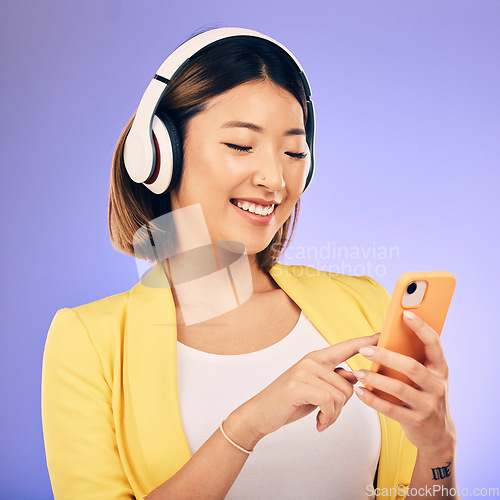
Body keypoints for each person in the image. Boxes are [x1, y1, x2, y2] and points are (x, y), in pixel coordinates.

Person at [41, 27, 458, 499]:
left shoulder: (362, 306)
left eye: (294, 152)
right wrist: (246, 426)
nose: (275, 179)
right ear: (159, 154)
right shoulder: (89, 342)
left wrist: (438, 451)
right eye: (241, 145)